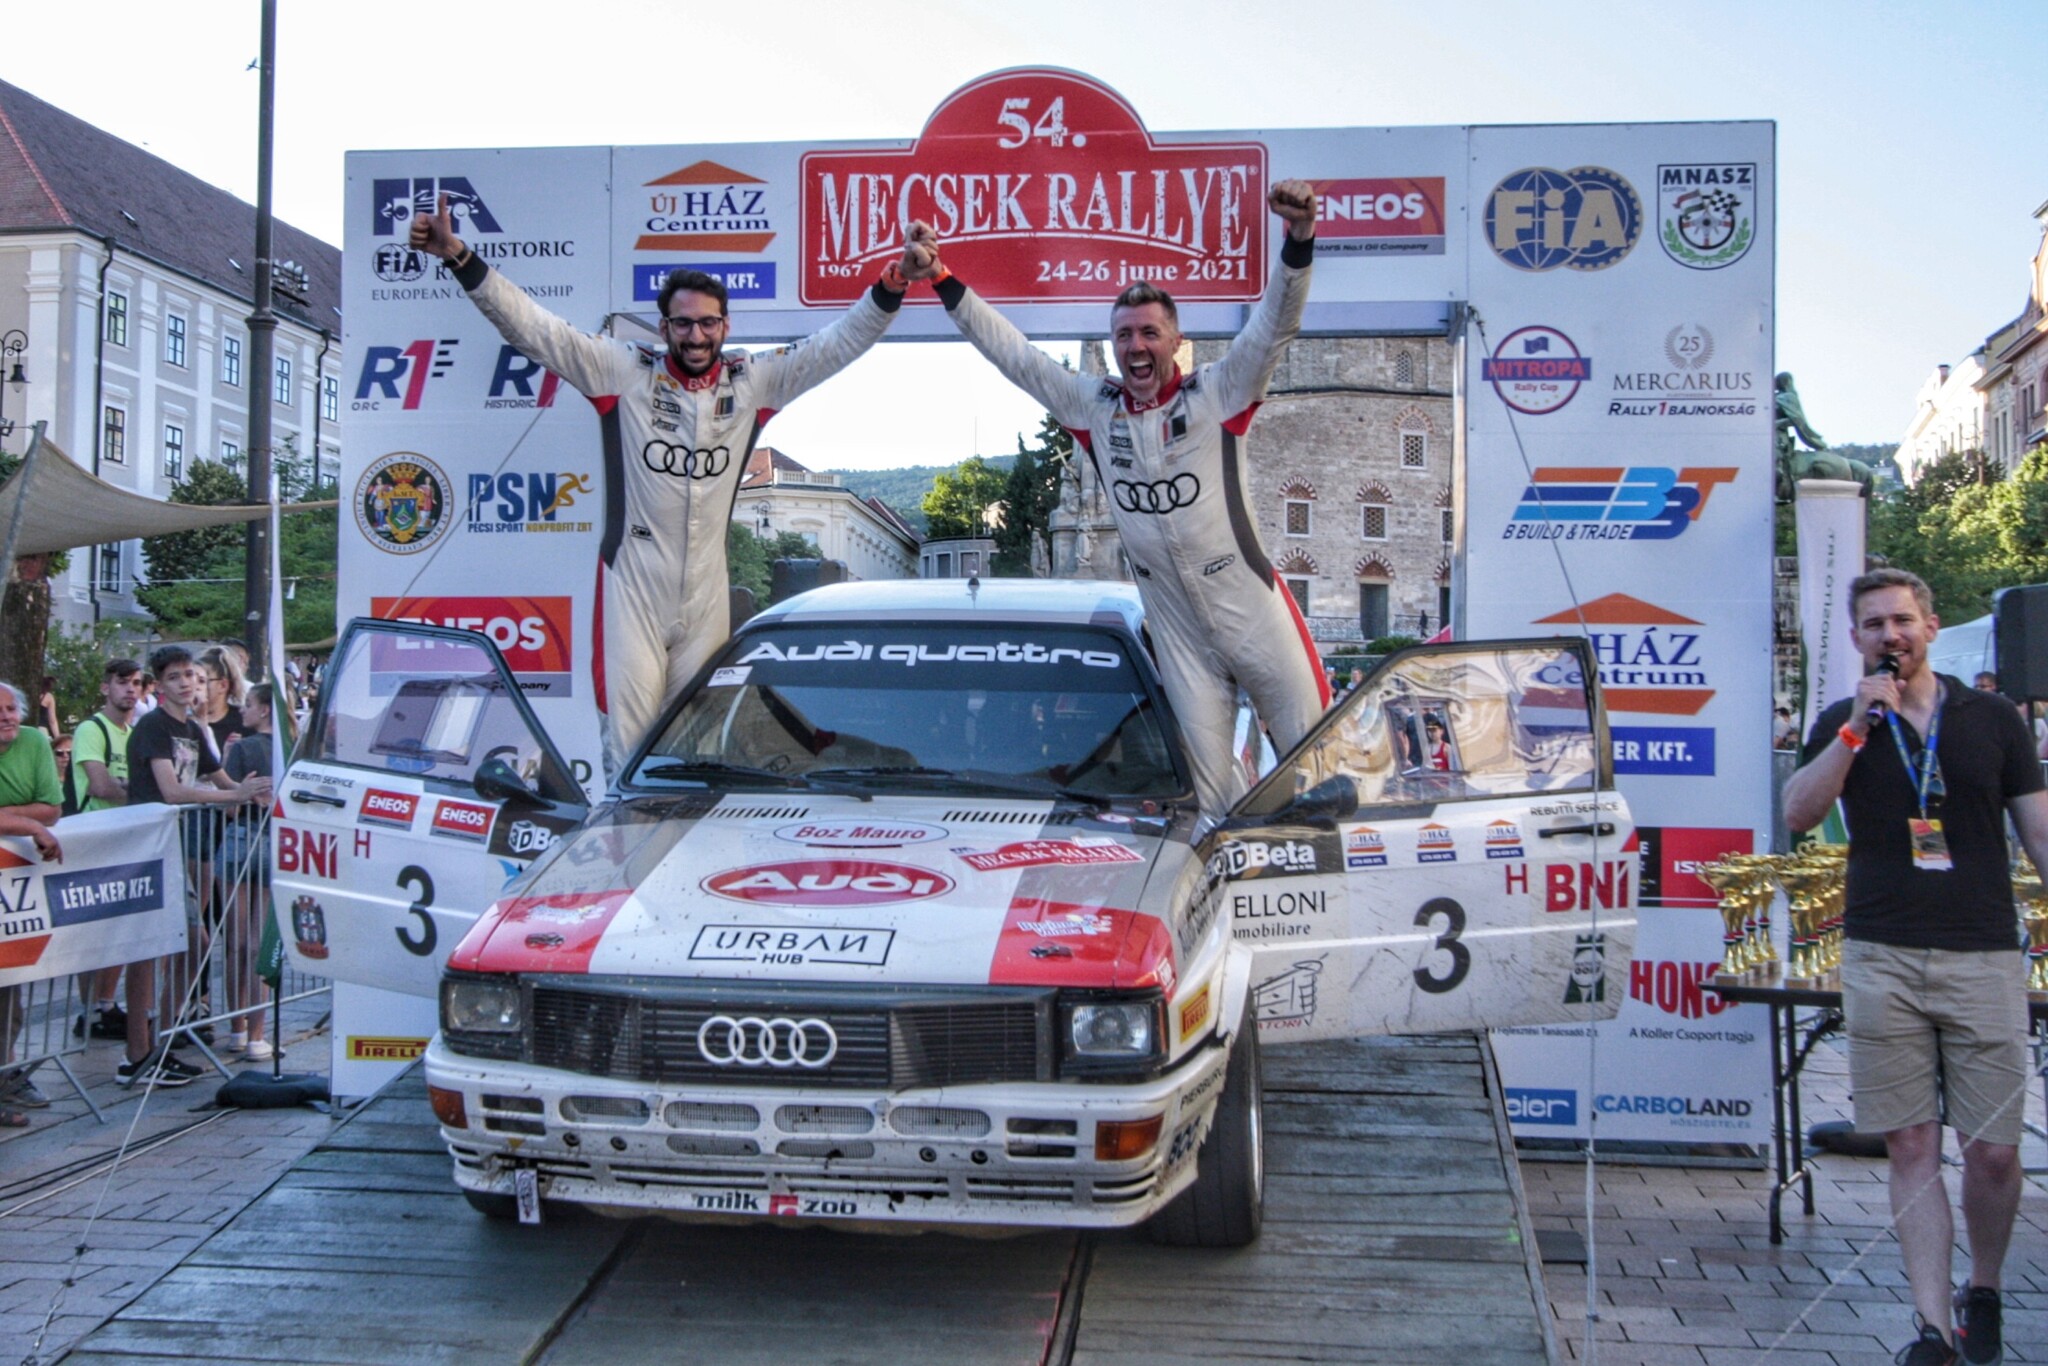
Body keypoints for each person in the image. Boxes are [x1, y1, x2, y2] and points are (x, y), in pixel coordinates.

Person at [409, 195, 920, 776]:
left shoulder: (754, 380)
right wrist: (458, 255)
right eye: (683, 323)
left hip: (706, 594)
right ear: (664, 327)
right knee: (628, 750)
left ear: (725, 326)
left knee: (698, 752)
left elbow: (836, 345)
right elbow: (533, 329)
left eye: (708, 323)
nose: (696, 336)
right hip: (633, 588)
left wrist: (892, 285)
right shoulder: (622, 371)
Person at [910, 180, 1331, 822]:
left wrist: (1299, 240)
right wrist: (942, 279)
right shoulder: (1095, 408)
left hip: (1250, 607)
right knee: (1210, 800)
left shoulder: (1218, 392)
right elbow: (1014, 357)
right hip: (1177, 629)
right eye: (1124, 335)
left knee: (1319, 764)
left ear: (1176, 339)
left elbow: (1276, 324)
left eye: (1150, 333)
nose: (1136, 346)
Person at [1783, 568, 2048, 1366]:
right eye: (1874, 625)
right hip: (1882, 953)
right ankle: (1931, 1329)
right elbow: (1798, 812)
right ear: (1856, 639)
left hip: (1982, 951)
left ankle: (1984, 1288)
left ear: (1929, 627)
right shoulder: (1844, 720)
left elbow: (2038, 830)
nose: (1890, 635)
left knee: (1993, 1150)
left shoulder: (1993, 719)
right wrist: (1854, 731)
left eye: (1901, 620)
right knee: (1909, 1143)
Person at [120, 646, 271, 1088]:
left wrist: (256, 792)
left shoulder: (190, 728)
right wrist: (233, 796)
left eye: (191, 675)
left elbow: (224, 781)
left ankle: (160, 1040)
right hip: (147, 847)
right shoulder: (154, 726)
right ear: (159, 686)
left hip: (172, 847)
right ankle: (139, 1052)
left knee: (194, 943)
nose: (186, 683)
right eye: (175, 677)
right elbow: (172, 790)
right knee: (151, 951)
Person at [68, 657, 143, 1044]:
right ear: (105, 687)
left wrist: (129, 788)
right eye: (122, 682)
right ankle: (91, 1009)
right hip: (93, 838)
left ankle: (106, 1004)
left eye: (136, 683)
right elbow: (100, 785)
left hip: (124, 837)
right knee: (93, 932)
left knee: (119, 928)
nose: (130, 689)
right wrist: (138, 792)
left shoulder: (134, 733)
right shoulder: (91, 728)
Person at [0, 681, 62, 1126]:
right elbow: (40, 815)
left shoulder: (35, 741)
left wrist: (11, 819)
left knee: (10, 986)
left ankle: (6, 1077)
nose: (5, 717)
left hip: (12, 887)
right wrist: (29, 823)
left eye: (10, 709)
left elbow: (53, 808)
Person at [216, 684, 276, 1060]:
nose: (242, 710)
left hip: (240, 839)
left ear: (265, 709)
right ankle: (257, 1035)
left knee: (236, 944)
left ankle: (236, 1029)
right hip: (275, 842)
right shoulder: (292, 749)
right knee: (258, 944)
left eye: (249, 704)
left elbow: (230, 808)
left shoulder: (243, 748)